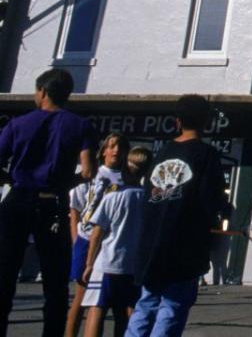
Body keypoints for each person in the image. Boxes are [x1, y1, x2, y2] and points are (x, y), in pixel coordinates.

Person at [0, 68, 97, 337]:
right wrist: (67, 183)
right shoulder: (80, 125)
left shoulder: (18, 124)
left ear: (42, 92)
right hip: (53, 201)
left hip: (18, 198)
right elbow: (88, 171)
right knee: (54, 284)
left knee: (5, 274)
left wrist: (11, 176)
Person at [126, 95, 228, 337]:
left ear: (177, 121)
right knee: (172, 307)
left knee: (146, 303)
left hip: (151, 244)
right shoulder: (207, 155)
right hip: (185, 245)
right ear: (206, 122)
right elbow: (210, 200)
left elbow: (147, 196)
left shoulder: (162, 152)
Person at [81, 146, 152, 337]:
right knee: (127, 310)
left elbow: (97, 233)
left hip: (107, 262)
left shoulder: (113, 196)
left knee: (97, 308)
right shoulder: (149, 200)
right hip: (133, 265)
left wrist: (88, 263)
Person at [67, 134, 129, 337]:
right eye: (111, 146)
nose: (115, 150)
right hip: (87, 239)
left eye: (119, 146)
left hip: (111, 243)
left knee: (109, 301)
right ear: (103, 151)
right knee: (81, 297)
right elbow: (76, 208)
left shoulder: (127, 178)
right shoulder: (92, 174)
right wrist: (76, 238)